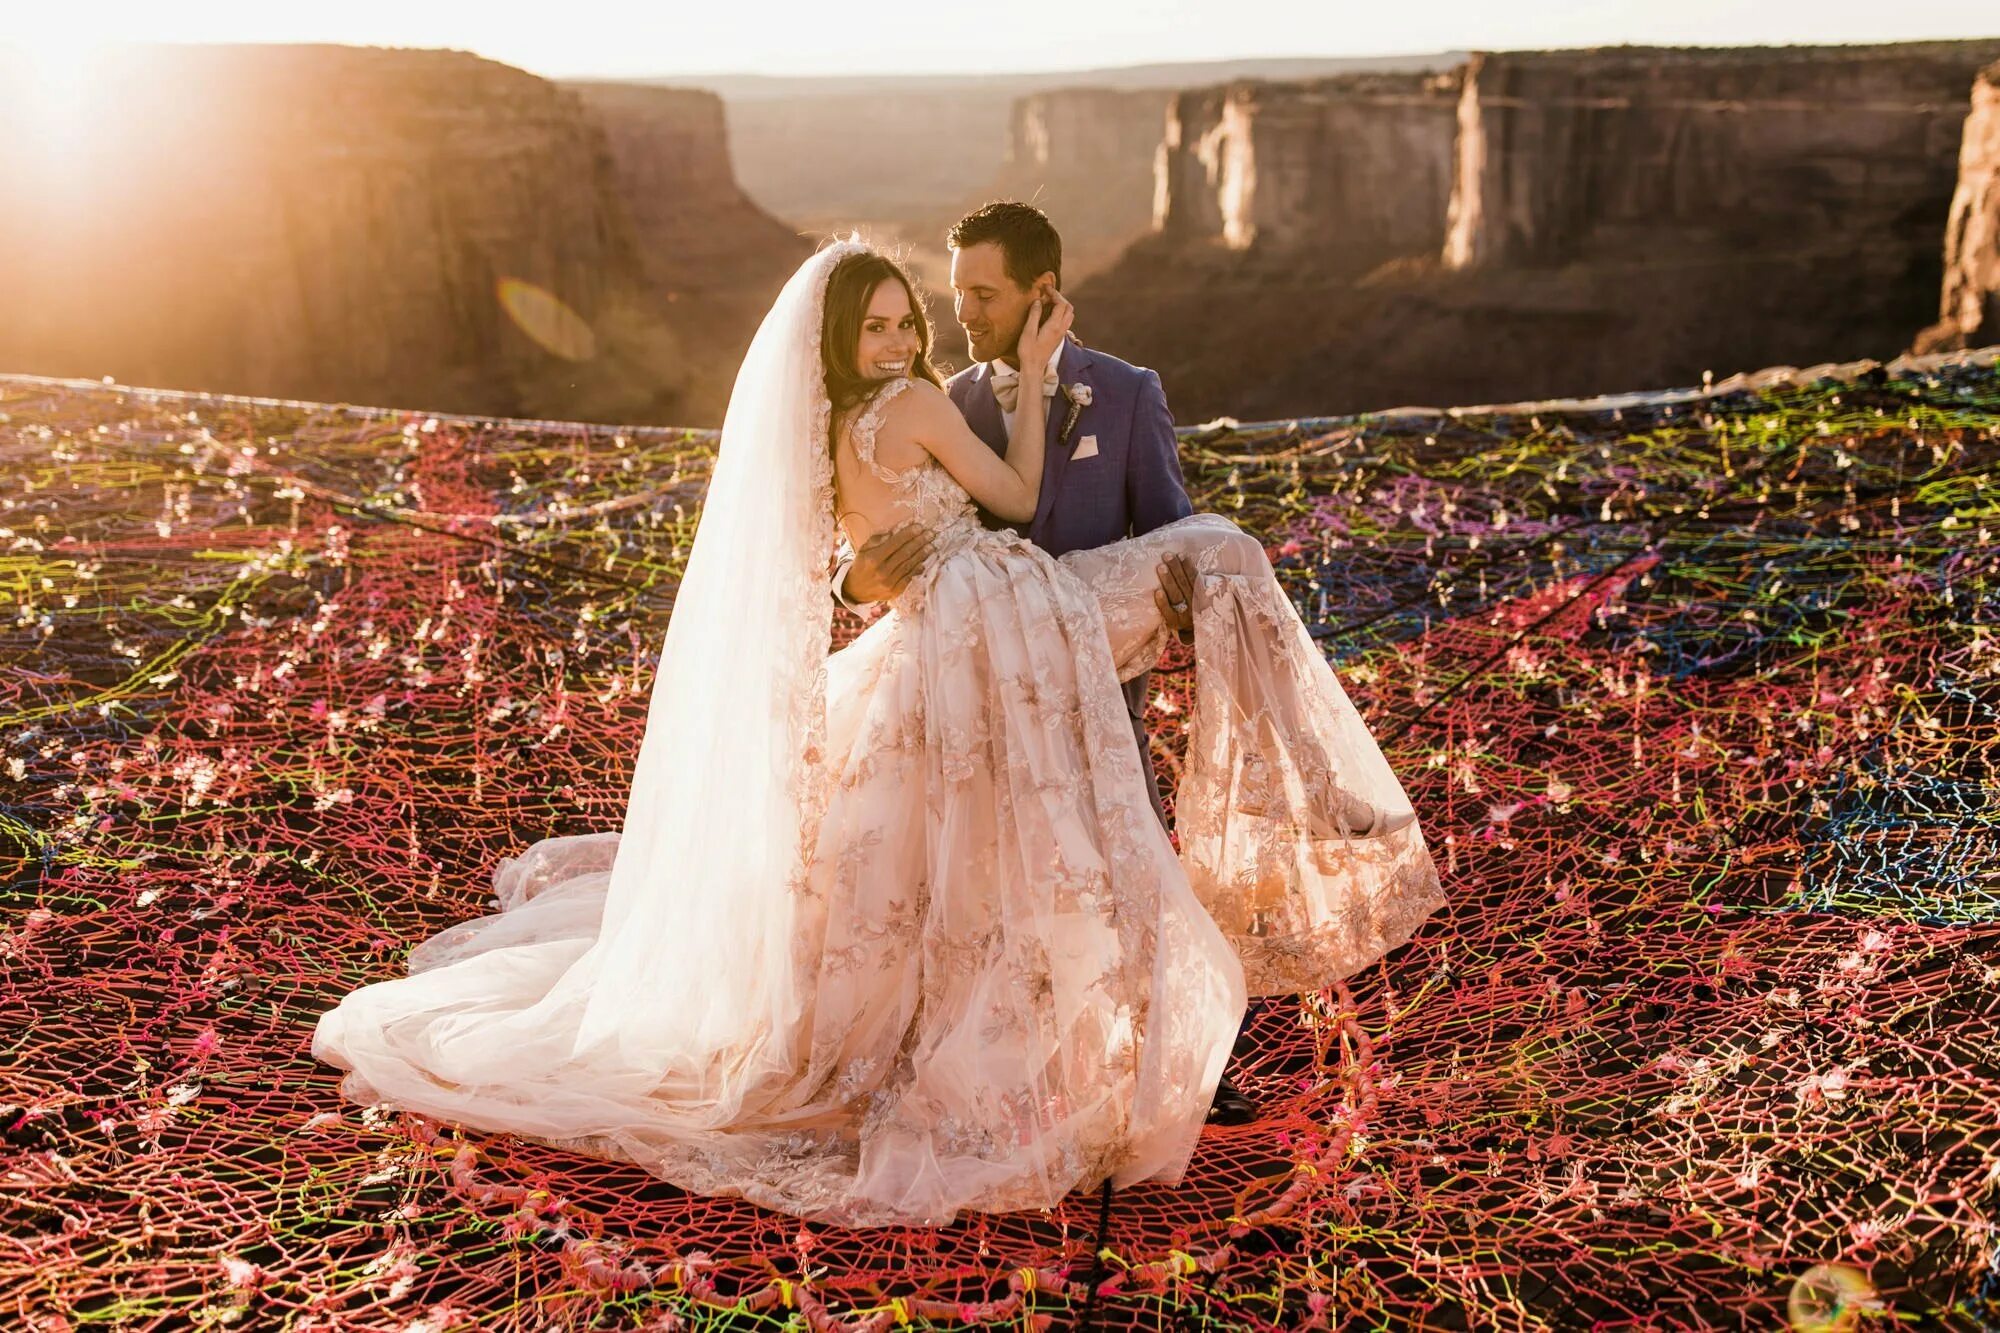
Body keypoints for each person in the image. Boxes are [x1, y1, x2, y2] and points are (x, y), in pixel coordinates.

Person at [312, 239, 1442, 1229]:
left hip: (924, 639)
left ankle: (1235, 864)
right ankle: (1304, 822)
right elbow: (1009, 496)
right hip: (996, 613)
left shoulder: (818, 438)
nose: (904, 341)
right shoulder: (913, 406)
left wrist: (864, 571)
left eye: (912, 319)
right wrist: (1039, 380)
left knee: (940, 855)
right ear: (844, 338)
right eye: (883, 325)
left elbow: (836, 572)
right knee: (1223, 555)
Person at [830, 201, 1261, 1124]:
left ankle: (1192, 1067)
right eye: (951, 298)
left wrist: (1179, 600)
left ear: (1042, 294)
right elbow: (889, 516)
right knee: (1005, 883)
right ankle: (1033, 1076)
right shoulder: (955, 400)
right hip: (984, 689)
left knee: (1129, 850)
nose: (959, 319)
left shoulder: (1129, 390)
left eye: (979, 296)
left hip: (1100, 676)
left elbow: (1169, 527)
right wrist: (852, 582)